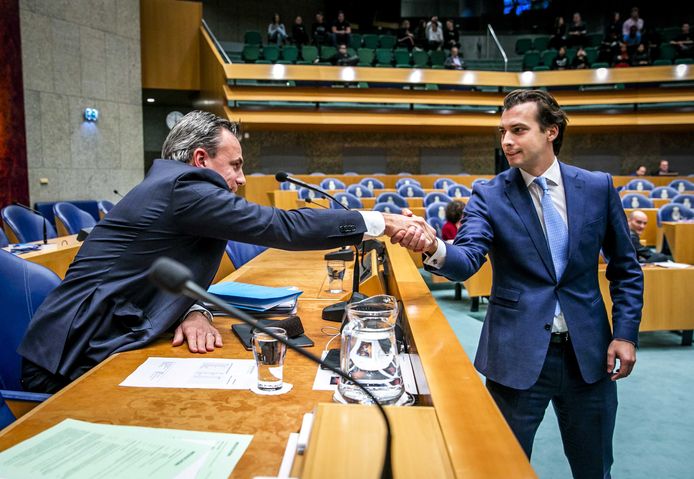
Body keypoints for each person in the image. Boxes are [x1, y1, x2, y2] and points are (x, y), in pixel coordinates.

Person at [19, 111, 434, 393]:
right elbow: (280, 226)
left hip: (100, 342)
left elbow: (158, 269)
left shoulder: (174, 188)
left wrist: (194, 309)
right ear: (201, 158)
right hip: (70, 360)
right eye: (234, 165)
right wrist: (380, 221)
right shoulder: (186, 188)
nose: (239, 178)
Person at [409, 89, 643, 478]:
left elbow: (625, 267)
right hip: (515, 355)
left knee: (595, 467)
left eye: (518, 130)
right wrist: (434, 246)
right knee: (500, 469)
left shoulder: (597, 186)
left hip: (588, 355)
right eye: (502, 131)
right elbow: (466, 260)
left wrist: (626, 334)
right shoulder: (489, 194)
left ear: (551, 131)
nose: (506, 141)